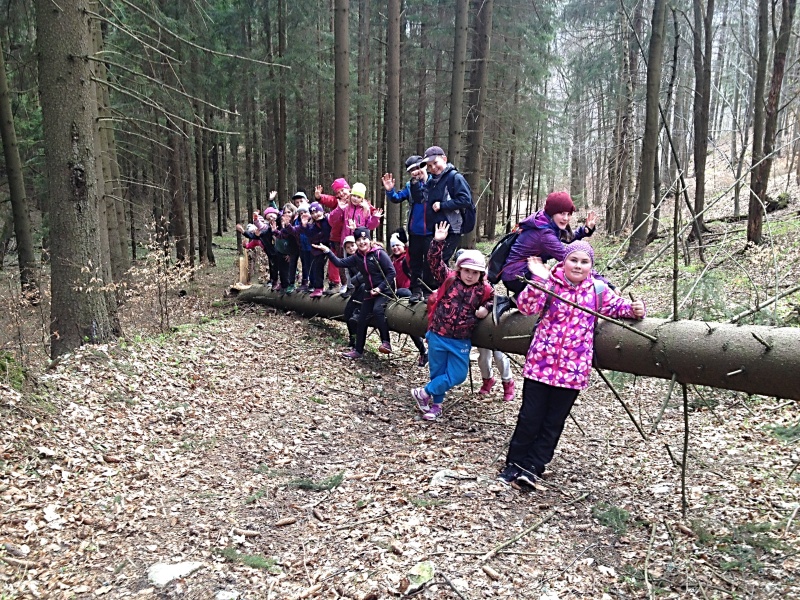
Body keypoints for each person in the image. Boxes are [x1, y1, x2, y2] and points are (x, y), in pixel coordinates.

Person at [497, 241, 645, 489]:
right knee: (529, 417)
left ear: (591, 266)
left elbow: (621, 308)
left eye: (584, 262)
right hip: (540, 364)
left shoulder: (598, 290)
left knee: (553, 422)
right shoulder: (550, 283)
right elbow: (525, 306)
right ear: (564, 262)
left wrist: (637, 308)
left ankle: (533, 467)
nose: (578, 265)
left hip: (573, 371)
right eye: (573, 260)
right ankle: (514, 464)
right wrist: (540, 279)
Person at [411, 222, 493, 421]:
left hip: (460, 340)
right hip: (438, 334)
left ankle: (424, 392)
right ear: (459, 269)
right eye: (467, 270)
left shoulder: (484, 289)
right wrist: (437, 241)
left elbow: (494, 301)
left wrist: (486, 308)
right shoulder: (449, 279)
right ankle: (435, 406)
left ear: (481, 274)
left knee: (458, 375)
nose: (470, 275)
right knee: (437, 371)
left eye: (475, 272)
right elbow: (434, 261)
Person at [495, 191, 596, 320]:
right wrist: (602, 282)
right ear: (552, 212)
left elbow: (567, 239)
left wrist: (585, 230)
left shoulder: (545, 221)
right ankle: (515, 303)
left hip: (518, 272)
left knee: (552, 276)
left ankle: (505, 302)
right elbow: (568, 258)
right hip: (516, 276)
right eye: (562, 213)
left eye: (569, 214)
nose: (566, 218)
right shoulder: (544, 233)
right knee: (556, 279)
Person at [314, 227, 396, 358]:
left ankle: (386, 342)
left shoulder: (379, 253)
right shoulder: (358, 257)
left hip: (385, 291)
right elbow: (339, 263)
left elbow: (391, 272)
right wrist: (327, 251)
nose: (362, 242)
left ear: (369, 239)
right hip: (369, 292)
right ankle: (358, 350)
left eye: (364, 239)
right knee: (361, 319)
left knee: (377, 310)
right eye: (358, 240)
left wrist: (380, 288)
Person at [383, 155, 434, 302]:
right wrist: (390, 191)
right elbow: (397, 198)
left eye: (419, 167)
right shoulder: (409, 186)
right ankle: (416, 291)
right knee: (415, 263)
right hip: (414, 231)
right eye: (412, 170)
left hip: (431, 230)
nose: (416, 171)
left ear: (425, 166)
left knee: (430, 262)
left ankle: (429, 291)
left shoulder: (435, 182)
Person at [421, 146, 474, 265]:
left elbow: (466, 200)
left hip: (451, 229)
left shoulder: (455, 177)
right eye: (429, 166)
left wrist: (443, 205)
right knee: (433, 261)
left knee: (440, 262)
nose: (433, 168)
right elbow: (422, 197)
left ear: (444, 159)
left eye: (435, 163)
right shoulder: (432, 181)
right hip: (436, 230)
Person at [283, 202, 331, 297]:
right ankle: (318, 287)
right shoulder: (309, 224)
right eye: (312, 213)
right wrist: (288, 225)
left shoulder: (328, 219)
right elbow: (295, 230)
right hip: (316, 249)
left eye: (316, 212)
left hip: (330, 246)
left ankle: (336, 285)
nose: (315, 215)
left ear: (322, 211)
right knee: (316, 267)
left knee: (333, 267)